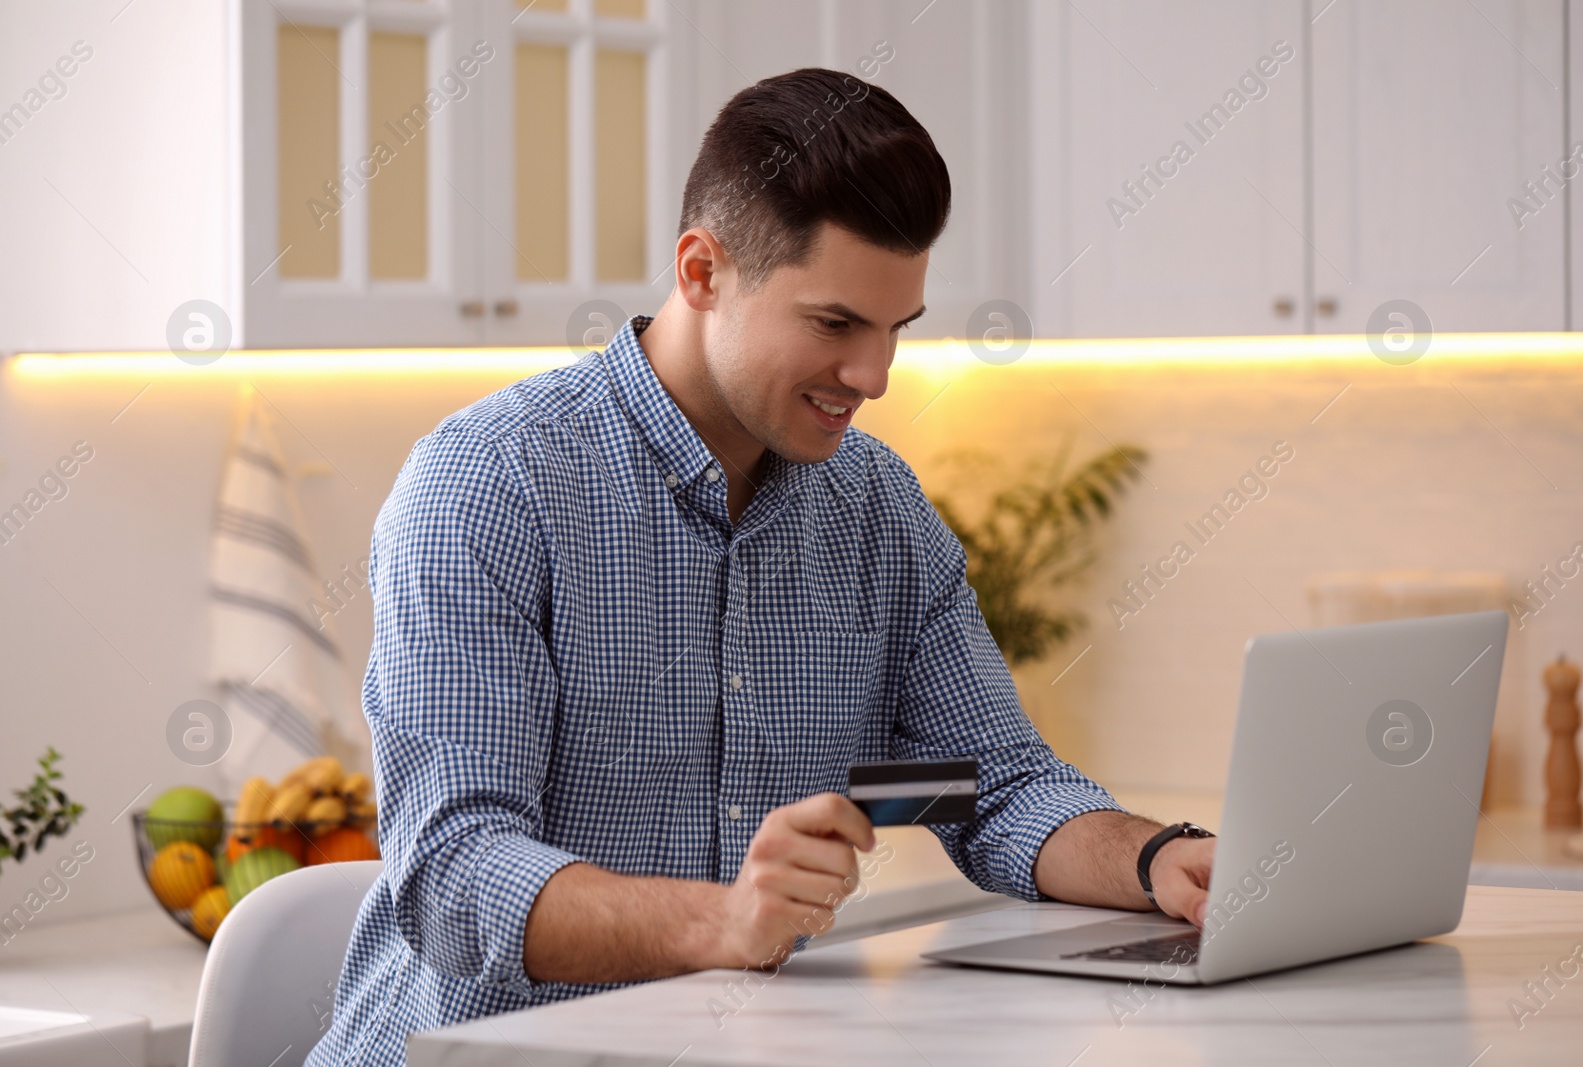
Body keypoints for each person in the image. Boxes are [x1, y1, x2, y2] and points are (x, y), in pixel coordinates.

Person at [305, 66, 1214, 1065]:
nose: (872, 376)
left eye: (893, 330)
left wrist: (1157, 857)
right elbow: (454, 872)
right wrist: (721, 920)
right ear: (702, 271)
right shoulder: (492, 485)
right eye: (834, 324)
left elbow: (984, 788)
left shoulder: (878, 509)